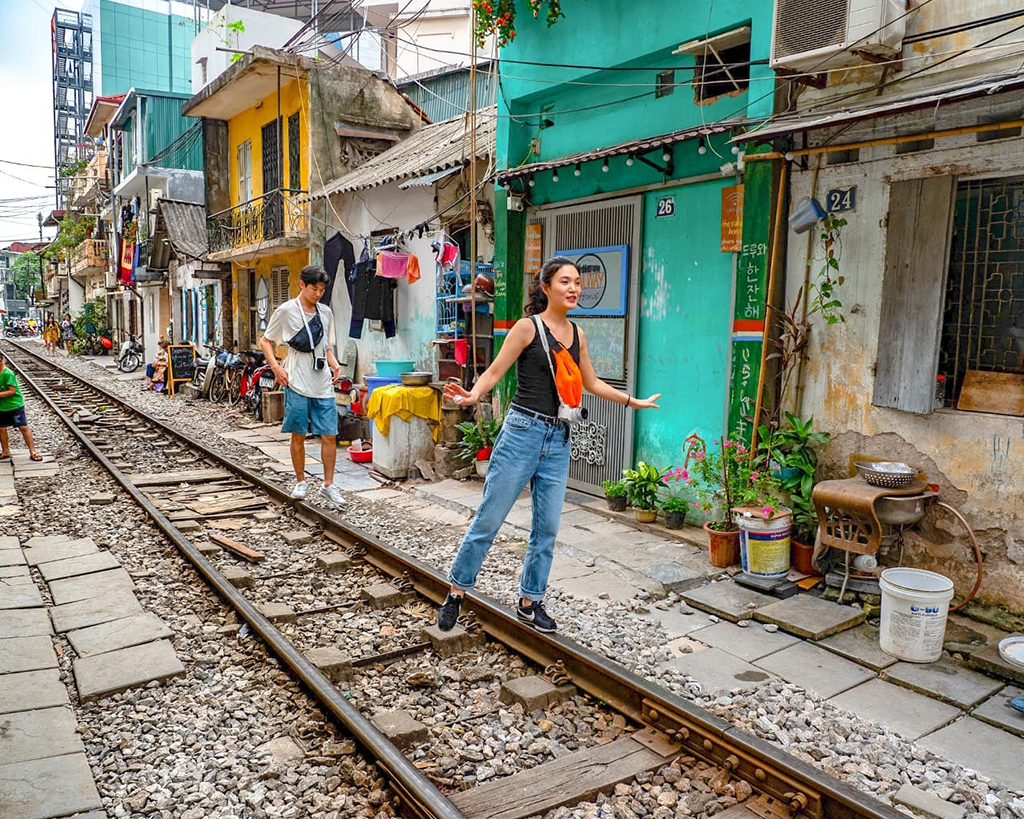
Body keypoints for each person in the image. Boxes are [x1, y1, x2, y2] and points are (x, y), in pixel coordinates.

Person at [437, 257, 662, 634]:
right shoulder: (527, 328)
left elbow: (591, 383)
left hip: (558, 438)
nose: (574, 288)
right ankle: (457, 591)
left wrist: (631, 401)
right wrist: (472, 395)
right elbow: (494, 371)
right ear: (546, 287)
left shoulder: (578, 333)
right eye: (565, 282)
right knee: (489, 520)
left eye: (577, 282)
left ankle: (530, 601)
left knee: (547, 529)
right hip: (522, 433)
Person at [261, 265, 345, 506]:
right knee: (298, 434)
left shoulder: (326, 312)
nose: (318, 294)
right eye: (314, 289)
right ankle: (301, 481)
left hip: (322, 383)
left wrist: (335, 363)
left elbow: (326, 346)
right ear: (301, 284)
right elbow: (265, 341)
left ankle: (328, 484)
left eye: (322, 290)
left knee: (330, 435)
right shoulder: (286, 311)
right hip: (296, 380)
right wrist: (277, 368)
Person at [0, 350, 42, 462]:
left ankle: (32, 451)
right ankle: (5, 451)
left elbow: (12, 391)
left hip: (14, 405)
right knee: (1, 428)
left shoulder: (7, 373)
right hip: (2, 406)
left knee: (23, 427)